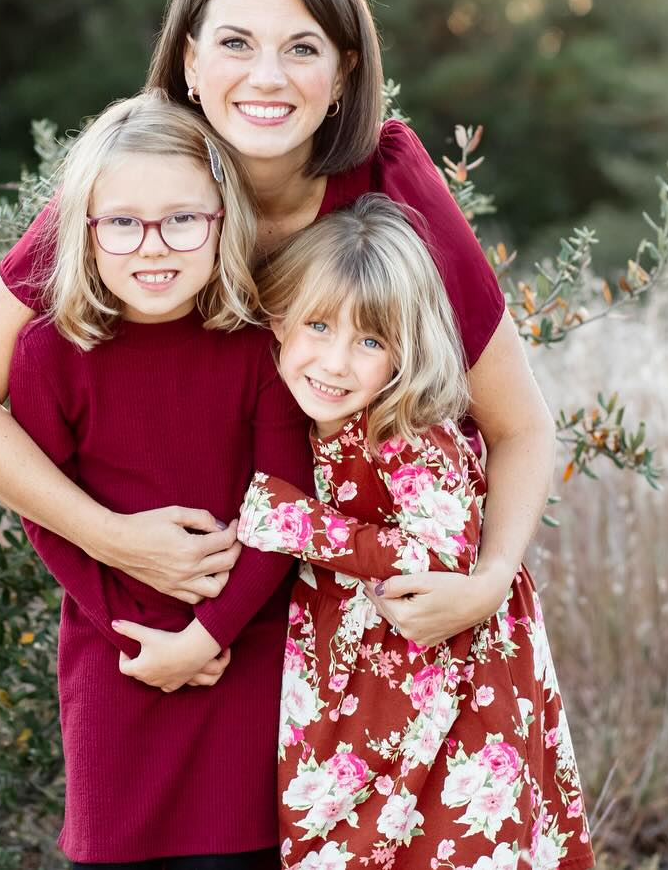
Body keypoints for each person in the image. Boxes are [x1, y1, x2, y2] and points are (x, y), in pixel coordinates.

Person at [0, 0, 574, 850]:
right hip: (209, 622)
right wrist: (115, 540)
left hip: (400, 637)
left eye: (301, 48)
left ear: (344, 72)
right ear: (189, 61)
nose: (267, 77)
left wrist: (488, 582)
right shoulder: (139, 184)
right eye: (235, 43)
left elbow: (520, 426)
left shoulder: (390, 188)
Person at [2, 89, 313, 865]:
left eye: (182, 220)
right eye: (122, 223)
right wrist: (137, 640)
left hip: (246, 654)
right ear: (85, 230)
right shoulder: (48, 354)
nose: (153, 247)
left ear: (222, 222)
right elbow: (46, 516)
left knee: (235, 853)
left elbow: (283, 510)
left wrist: (207, 637)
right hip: (116, 659)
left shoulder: (258, 348)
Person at [236, 194, 592, 870]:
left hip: (453, 689)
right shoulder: (314, 420)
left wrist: (298, 523)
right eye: (318, 326)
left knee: (444, 848)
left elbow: (440, 557)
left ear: (405, 351)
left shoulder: (405, 433)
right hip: (368, 691)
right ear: (278, 319)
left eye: (370, 342)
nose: (336, 362)